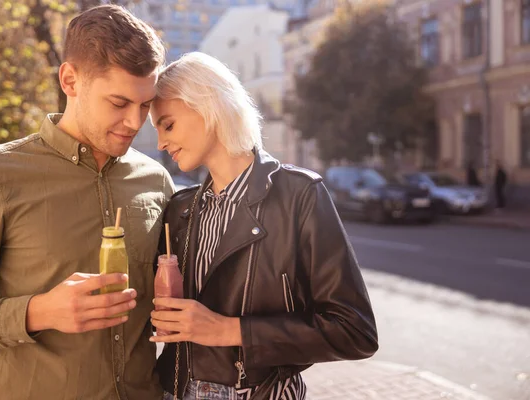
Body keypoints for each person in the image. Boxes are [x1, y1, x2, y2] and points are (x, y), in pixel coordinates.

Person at [0, 5, 173, 399]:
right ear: (70, 80)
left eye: (145, 105)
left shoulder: (155, 180)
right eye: (118, 102)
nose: (135, 122)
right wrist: (37, 312)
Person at [149, 52, 378, 400]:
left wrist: (230, 331)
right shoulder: (179, 210)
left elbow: (355, 331)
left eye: (168, 124)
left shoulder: (299, 195)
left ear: (208, 105)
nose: (161, 143)